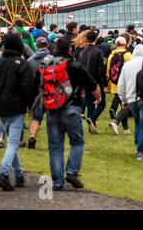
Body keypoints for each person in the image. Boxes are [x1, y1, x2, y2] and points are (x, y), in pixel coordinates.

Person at [35, 37, 101, 190]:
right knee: (77, 142)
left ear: (55, 49)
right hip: (72, 108)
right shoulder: (75, 66)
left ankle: (57, 182)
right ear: (70, 50)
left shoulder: (47, 66)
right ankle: (72, 171)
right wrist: (98, 97)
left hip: (52, 109)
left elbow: (38, 86)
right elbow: (93, 85)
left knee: (55, 148)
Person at [0, 34, 35, 191]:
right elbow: (28, 87)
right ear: (19, 47)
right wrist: (31, 105)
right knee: (14, 143)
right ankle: (3, 174)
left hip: (0, 108)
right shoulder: (22, 64)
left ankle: (19, 174)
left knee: (12, 142)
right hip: (17, 108)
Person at [26, 37, 53, 149]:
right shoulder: (53, 59)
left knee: (36, 118)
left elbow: (27, 81)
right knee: (53, 120)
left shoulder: (30, 61)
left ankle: (32, 135)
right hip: (51, 93)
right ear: (47, 46)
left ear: (36, 46)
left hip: (37, 94)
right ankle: (53, 141)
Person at [77, 31, 106, 134]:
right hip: (96, 81)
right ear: (96, 39)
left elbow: (79, 68)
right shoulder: (98, 51)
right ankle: (92, 118)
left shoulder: (82, 52)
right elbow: (101, 70)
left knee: (90, 104)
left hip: (85, 81)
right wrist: (104, 84)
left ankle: (91, 128)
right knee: (102, 103)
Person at [106, 37, 132, 135]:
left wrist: (109, 85)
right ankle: (116, 122)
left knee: (123, 105)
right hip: (126, 85)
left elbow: (108, 72)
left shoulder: (111, 56)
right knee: (126, 106)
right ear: (125, 44)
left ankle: (125, 128)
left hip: (114, 85)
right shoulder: (128, 55)